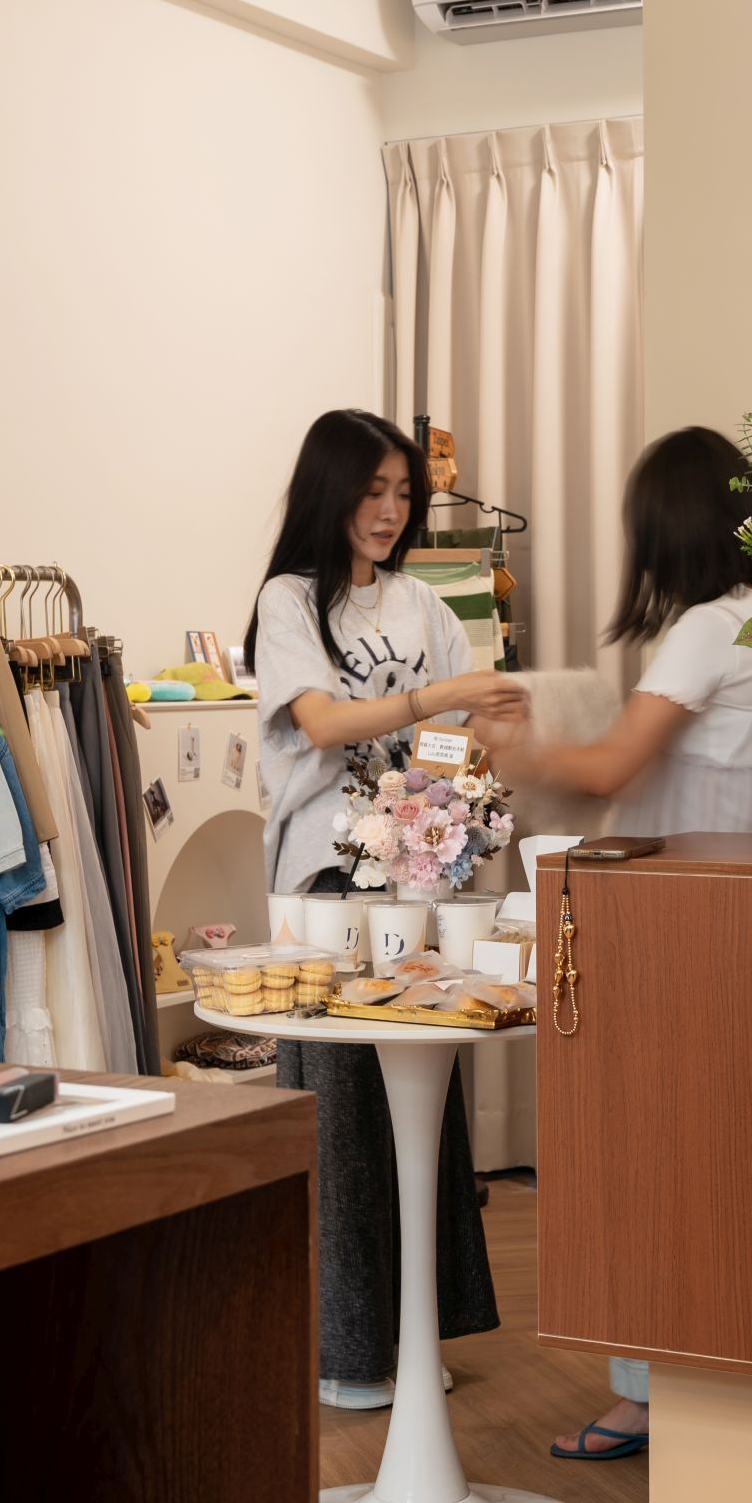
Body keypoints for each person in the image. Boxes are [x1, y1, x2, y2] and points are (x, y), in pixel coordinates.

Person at [478, 424, 752, 1461]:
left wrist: (518, 748)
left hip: (680, 930)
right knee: (733, 1159)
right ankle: (729, 1375)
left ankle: (651, 1393)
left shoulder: (706, 627)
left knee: (654, 1162)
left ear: (664, 528)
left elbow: (613, 768)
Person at [248, 409, 519, 1407]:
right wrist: (431, 704)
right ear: (332, 491)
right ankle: (346, 1350)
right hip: (323, 881)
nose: (391, 510)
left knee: (423, 1104)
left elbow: (456, 734)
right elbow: (321, 723)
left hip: (417, 876)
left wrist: (449, 786)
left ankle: (414, 1329)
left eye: (404, 492)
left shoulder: (422, 602)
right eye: (372, 491)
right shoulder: (288, 600)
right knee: (341, 1115)